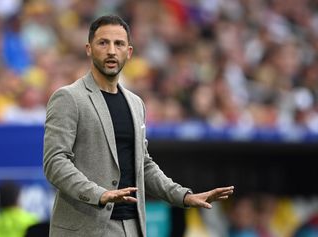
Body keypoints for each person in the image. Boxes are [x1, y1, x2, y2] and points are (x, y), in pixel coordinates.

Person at [43, 14, 234, 237]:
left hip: (132, 227)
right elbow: (55, 163)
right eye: (103, 43)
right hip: (86, 228)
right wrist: (99, 194)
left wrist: (183, 196)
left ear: (129, 52)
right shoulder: (68, 98)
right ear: (88, 49)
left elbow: (143, 165)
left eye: (119, 44)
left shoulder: (136, 104)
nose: (111, 50)